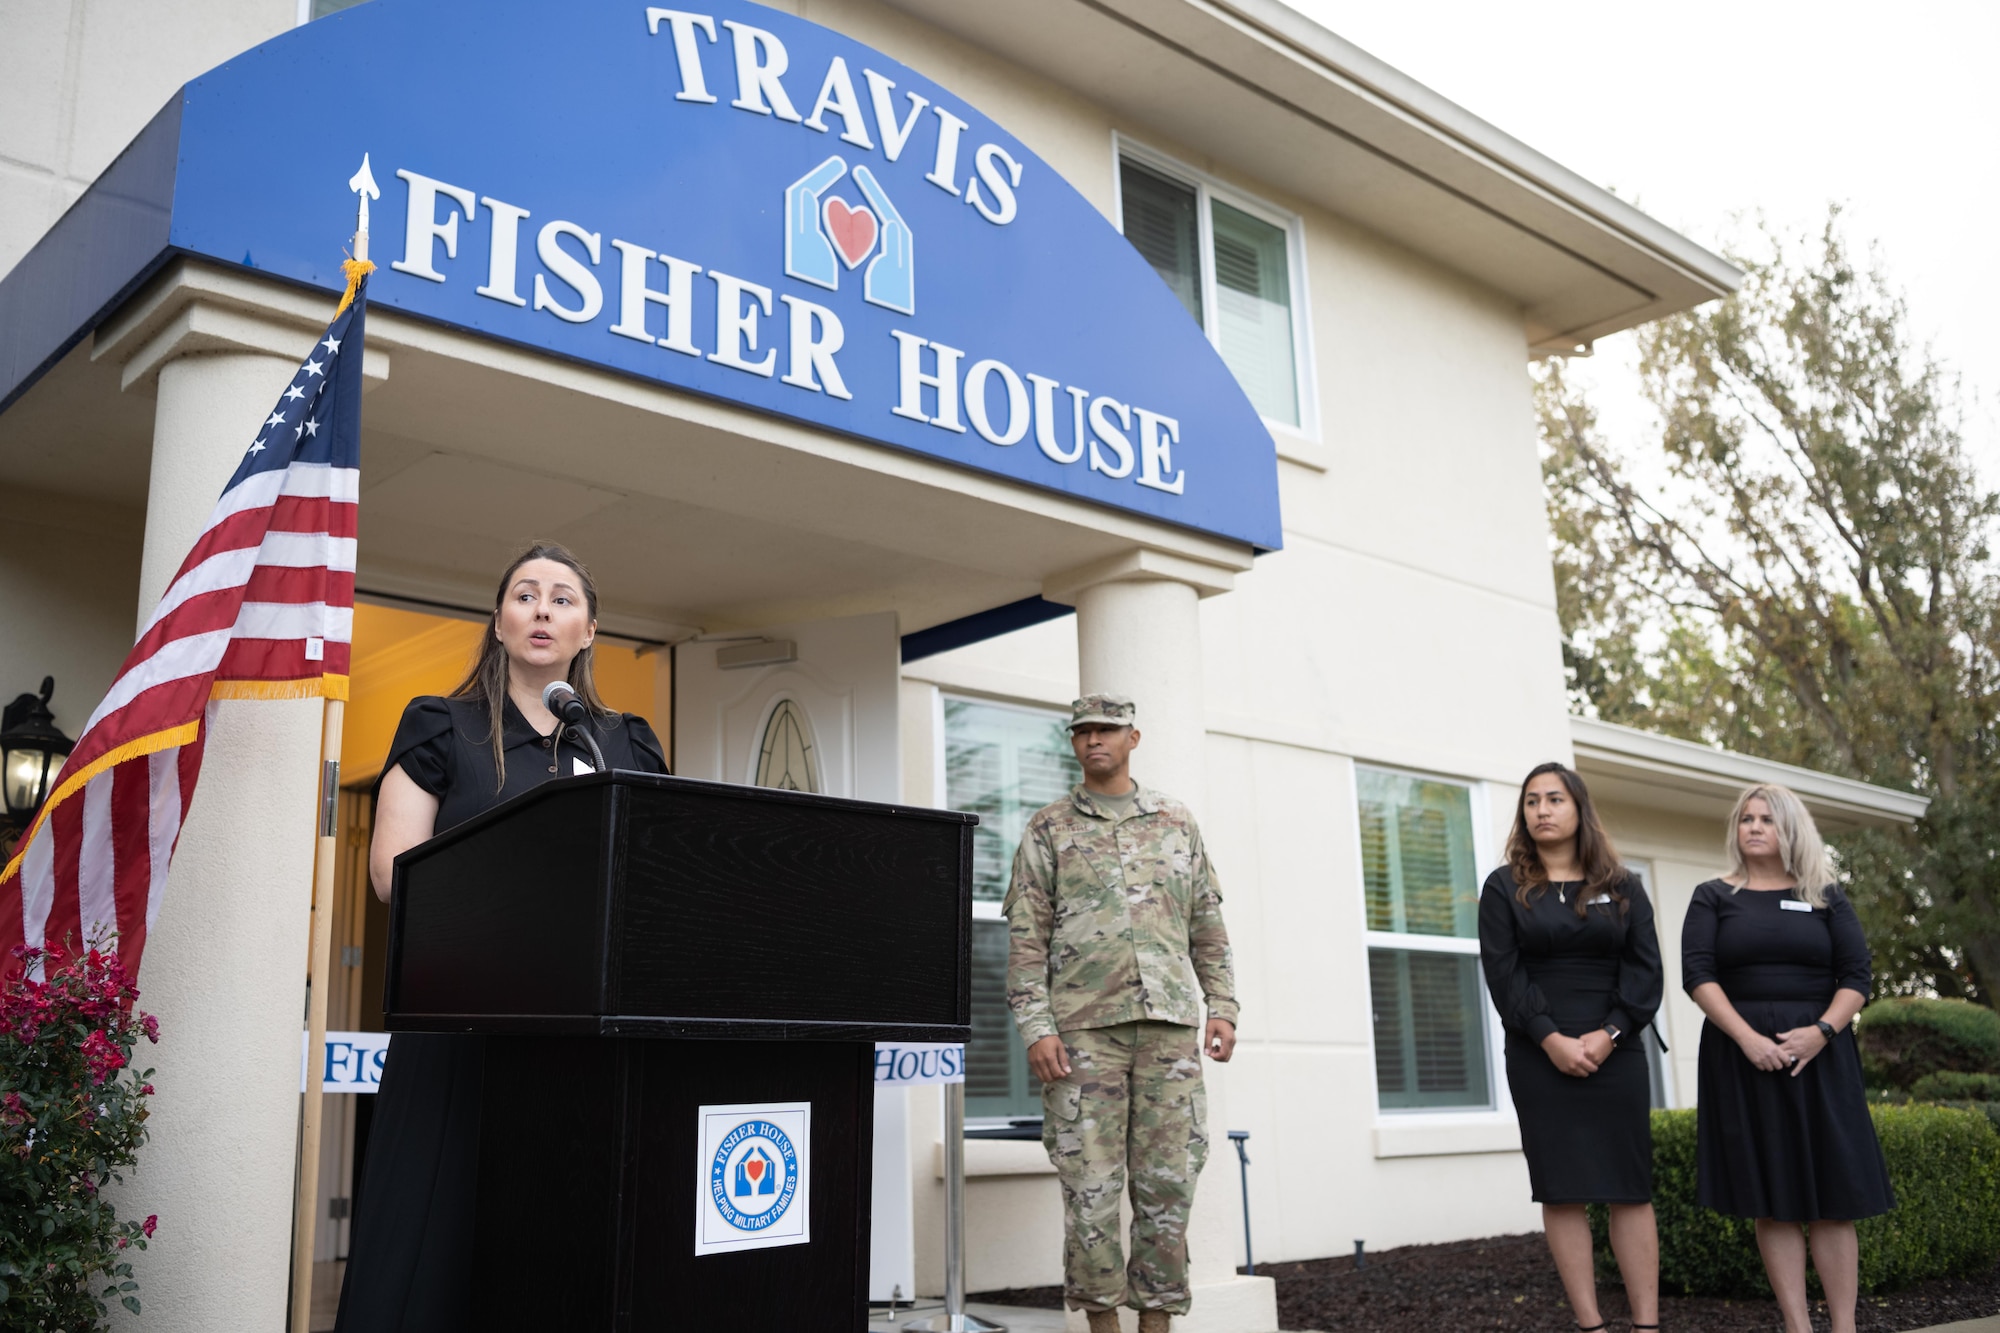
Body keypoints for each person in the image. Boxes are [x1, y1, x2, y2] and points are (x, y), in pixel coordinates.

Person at [334, 543, 667, 1333]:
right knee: (439, 1248)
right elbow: (393, 875)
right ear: (499, 621)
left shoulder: (624, 742)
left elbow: (654, 878)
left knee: (560, 1251)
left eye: (562, 598)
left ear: (590, 628)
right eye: (525, 595)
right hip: (461, 1028)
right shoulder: (440, 726)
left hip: (585, 1040)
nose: (543, 609)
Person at [1003, 693, 1237, 1333]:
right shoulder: (1049, 828)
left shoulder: (1174, 821)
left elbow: (1206, 924)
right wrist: (1036, 1028)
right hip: (1082, 1036)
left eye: (1106, 730)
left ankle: (1157, 1323)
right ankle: (1102, 1323)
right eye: (1082, 732)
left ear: (1134, 737)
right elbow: (1026, 939)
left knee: (1169, 1188)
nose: (1093, 741)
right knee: (1090, 1190)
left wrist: (1223, 1007)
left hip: (1168, 1033)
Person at [1682, 783, 1891, 1333]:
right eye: (1746, 818)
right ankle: (1798, 1327)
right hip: (1741, 1059)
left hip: (1822, 1060)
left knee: (1832, 1199)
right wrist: (1748, 1039)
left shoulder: (1826, 895)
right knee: (1771, 1200)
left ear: (1790, 829)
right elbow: (1698, 975)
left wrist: (1821, 1031)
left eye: (1767, 819)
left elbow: (1857, 977)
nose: (1753, 827)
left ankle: (1844, 1327)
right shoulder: (1712, 896)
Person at [1478, 762, 1664, 1333]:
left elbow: (1645, 971)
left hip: (1618, 1048)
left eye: (1554, 799)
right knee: (1561, 1190)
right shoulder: (1503, 887)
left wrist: (1608, 1035)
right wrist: (1550, 1038)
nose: (1541, 810)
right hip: (1539, 1054)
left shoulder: (1622, 885)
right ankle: (1591, 1325)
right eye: (1532, 801)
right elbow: (1504, 974)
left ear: (1579, 808)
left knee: (1629, 1189)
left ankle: (1647, 1325)